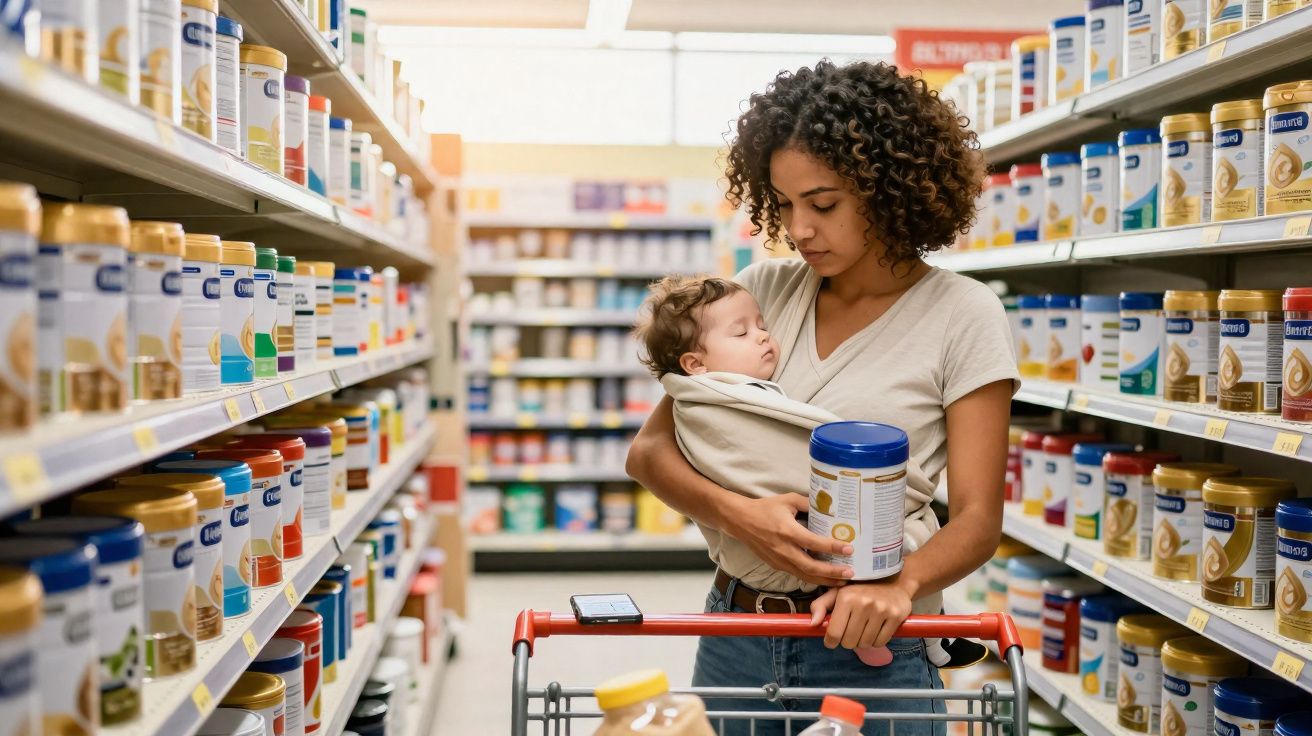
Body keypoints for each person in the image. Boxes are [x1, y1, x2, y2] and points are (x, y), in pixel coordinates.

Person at [625, 59, 1019, 735]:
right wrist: (742, 516)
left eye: (823, 204)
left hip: (871, 651)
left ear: (889, 188)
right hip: (737, 635)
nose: (799, 228)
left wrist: (897, 585)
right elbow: (651, 452)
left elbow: (979, 519)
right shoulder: (766, 292)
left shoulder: (965, 314)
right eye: (783, 204)